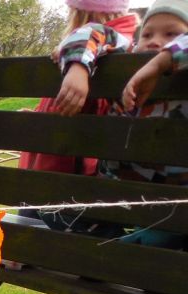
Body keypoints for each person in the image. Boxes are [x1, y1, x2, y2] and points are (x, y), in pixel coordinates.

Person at [48, 0, 188, 245]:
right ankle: (124, 241)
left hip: (173, 201)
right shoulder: (127, 56)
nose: (155, 41)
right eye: (147, 34)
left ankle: (134, 244)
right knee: (52, 210)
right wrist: (78, 66)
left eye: (171, 34)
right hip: (116, 195)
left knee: (166, 233)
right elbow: (94, 31)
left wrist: (161, 62)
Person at [16, 0, 137, 188]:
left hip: (63, 175)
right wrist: (39, 116)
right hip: (54, 167)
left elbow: (91, 33)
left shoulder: (111, 41)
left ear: (80, 14)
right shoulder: (91, 48)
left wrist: (78, 67)